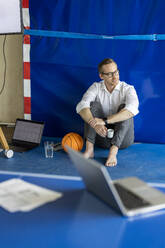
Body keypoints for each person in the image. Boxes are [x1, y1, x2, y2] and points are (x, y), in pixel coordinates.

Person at [76, 58, 139, 167]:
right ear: (101, 76)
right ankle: (89, 149)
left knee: (125, 109)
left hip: (122, 140)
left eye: (116, 72)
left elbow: (131, 110)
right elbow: (81, 106)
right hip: (101, 135)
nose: (115, 77)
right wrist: (95, 124)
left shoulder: (128, 89)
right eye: (110, 74)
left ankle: (113, 152)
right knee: (92, 106)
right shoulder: (96, 87)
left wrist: (104, 121)